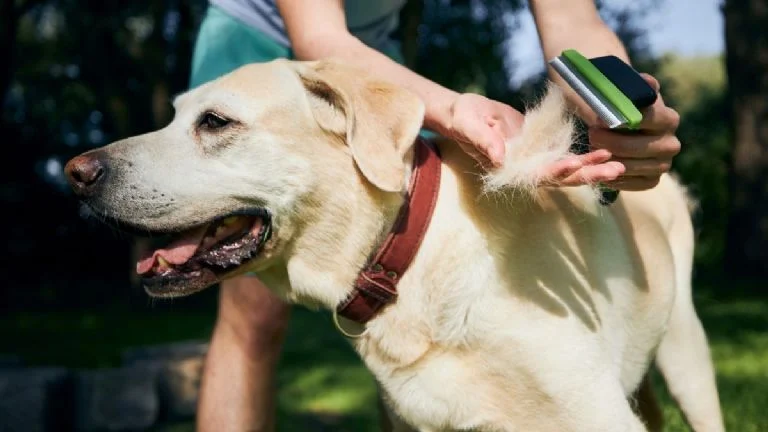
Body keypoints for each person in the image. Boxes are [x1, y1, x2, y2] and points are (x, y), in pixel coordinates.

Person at [188, 0, 682, 430]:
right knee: (253, 314)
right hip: (257, 45)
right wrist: (450, 108)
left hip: (374, 59)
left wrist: (620, 114)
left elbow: (570, 16)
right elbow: (317, 34)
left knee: (400, 290)